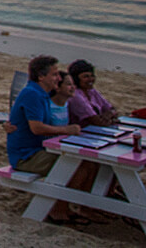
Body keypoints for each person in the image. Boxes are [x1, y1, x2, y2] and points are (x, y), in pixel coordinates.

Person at [6, 55, 93, 224]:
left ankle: (74, 207)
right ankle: (57, 209)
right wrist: (66, 130)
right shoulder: (33, 94)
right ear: (41, 76)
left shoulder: (42, 94)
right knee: (77, 166)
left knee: (88, 163)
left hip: (38, 150)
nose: (58, 78)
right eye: (54, 75)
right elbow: (36, 127)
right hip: (26, 156)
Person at [67, 59, 117, 127]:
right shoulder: (75, 95)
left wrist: (108, 114)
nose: (91, 79)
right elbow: (97, 122)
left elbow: (112, 109)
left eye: (92, 76)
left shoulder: (91, 91)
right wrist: (111, 119)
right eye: (86, 77)